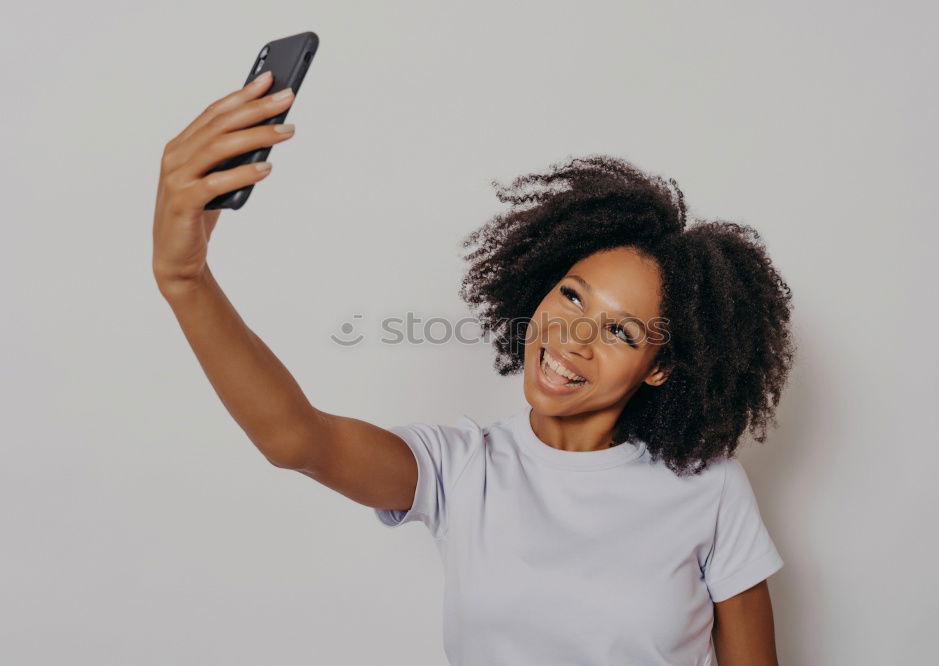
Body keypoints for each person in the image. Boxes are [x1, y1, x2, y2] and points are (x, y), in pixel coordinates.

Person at [153, 71, 796, 666]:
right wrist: (185, 278)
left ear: (662, 367)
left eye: (621, 331)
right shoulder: (466, 469)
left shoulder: (709, 489)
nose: (573, 337)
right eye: (572, 295)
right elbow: (296, 439)